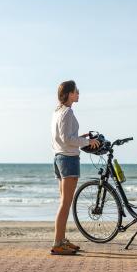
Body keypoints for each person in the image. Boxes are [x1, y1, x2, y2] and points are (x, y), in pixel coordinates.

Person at [50, 80, 100, 255]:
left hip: (59, 157)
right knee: (65, 203)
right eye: (76, 91)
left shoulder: (58, 112)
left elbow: (65, 137)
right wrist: (88, 142)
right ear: (70, 94)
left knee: (64, 202)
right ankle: (58, 243)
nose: (78, 93)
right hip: (68, 159)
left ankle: (61, 239)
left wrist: (80, 136)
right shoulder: (67, 113)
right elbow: (67, 139)